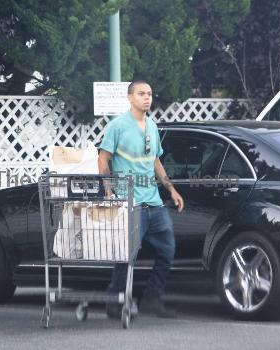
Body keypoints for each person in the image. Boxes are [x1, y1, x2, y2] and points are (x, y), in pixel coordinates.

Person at [98, 80, 184, 318]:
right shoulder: (117, 126)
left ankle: (151, 299)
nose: (147, 98)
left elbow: (155, 161)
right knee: (126, 256)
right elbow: (103, 159)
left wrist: (171, 190)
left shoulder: (152, 127)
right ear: (130, 97)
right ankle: (115, 301)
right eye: (141, 94)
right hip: (129, 202)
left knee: (167, 251)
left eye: (149, 94)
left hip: (154, 203)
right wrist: (108, 189)